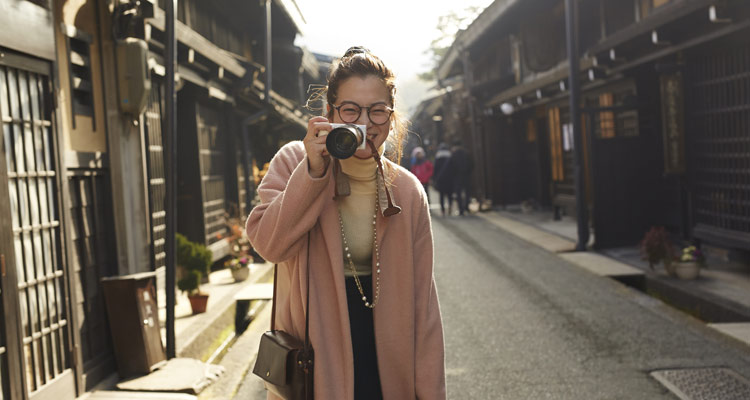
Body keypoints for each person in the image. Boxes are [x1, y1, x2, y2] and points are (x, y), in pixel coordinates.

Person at [246, 46, 446, 400]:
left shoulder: (407, 190)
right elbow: (269, 245)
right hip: (314, 355)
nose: (365, 124)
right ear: (330, 113)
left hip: (389, 356)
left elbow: (424, 307)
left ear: (392, 116)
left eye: (378, 111)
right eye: (351, 110)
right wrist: (313, 172)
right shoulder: (296, 161)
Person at [445, 140, 473, 216]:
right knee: (467, 192)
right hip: (466, 175)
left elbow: (450, 167)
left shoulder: (453, 154)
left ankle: (461, 209)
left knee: (459, 193)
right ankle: (466, 206)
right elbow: (472, 164)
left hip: (457, 176)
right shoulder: (467, 153)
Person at [433, 143, 453, 217]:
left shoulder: (437, 158)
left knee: (441, 195)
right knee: (449, 195)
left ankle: (443, 210)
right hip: (449, 179)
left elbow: (435, 169)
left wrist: (434, 179)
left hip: (440, 180)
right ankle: (450, 207)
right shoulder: (450, 157)